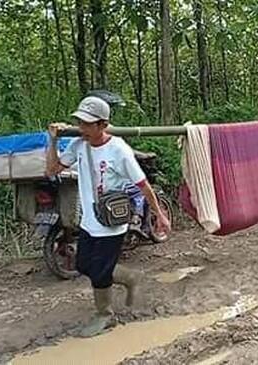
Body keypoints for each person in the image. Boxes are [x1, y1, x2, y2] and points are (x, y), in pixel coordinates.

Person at [46, 96, 171, 337]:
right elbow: (52, 170)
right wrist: (52, 142)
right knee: (83, 264)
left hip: (112, 223)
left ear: (102, 125)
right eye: (79, 122)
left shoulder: (119, 149)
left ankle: (105, 314)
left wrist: (160, 215)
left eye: (87, 123)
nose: (81, 127)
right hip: (89, 221)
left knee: (101, 272)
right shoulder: (78, 145)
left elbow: (143, 185)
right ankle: (130, 277)